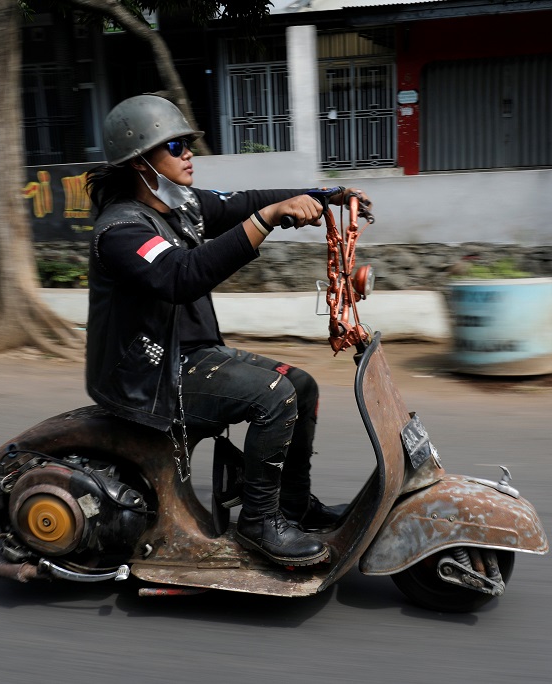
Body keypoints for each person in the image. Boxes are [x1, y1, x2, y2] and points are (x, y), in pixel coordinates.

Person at [84, 94, 371, 567]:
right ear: (140, 162)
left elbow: (245, 202)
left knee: (301, 384)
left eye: (188, 144)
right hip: (151, 377)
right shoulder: (121, 230)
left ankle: (292, 507)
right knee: (272, 395)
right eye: (175, 146)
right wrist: (267, 220)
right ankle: (259, 525)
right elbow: (181, 275)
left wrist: (324, 195)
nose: (189, 153)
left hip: (192, 356)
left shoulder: (182, 207)